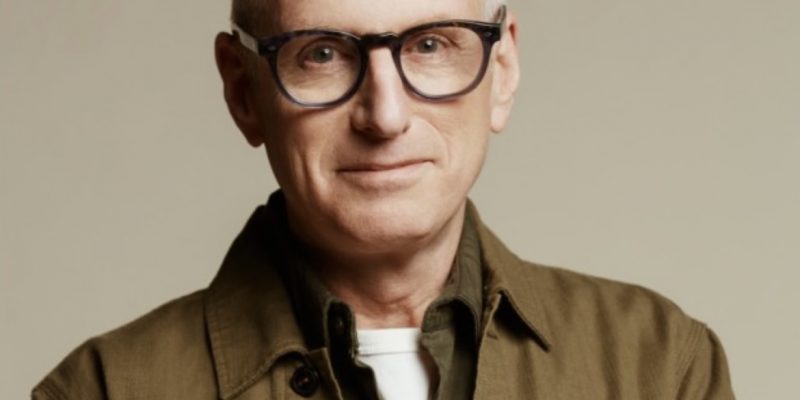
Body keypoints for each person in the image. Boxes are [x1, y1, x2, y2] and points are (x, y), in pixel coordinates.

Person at [32, 0, 735, 399]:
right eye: (322, 54)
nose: (386, 115)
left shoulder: (657, 368)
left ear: (503, 72)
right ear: (244, 91)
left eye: (431, 45)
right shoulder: (104, 392)